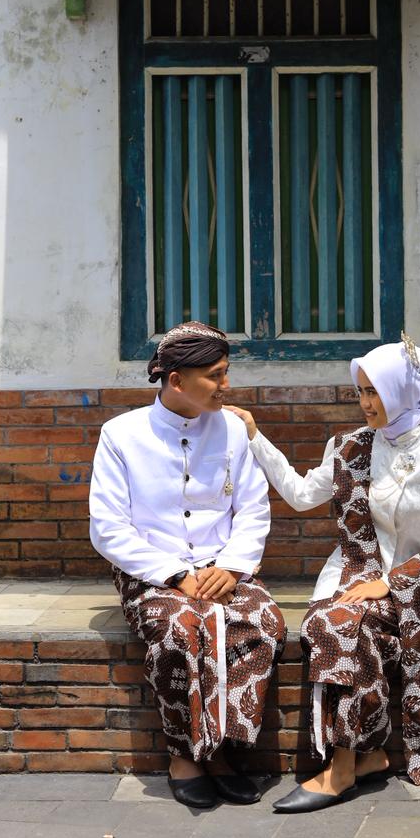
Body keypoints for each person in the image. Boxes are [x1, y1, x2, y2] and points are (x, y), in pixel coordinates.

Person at [227, 334, 420, 814]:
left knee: (341, 627)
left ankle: (342, 767)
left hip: (413, 584)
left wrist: (390, 582)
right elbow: (301, 494)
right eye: (361, 392)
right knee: (329, 624)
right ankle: (366, 756)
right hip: (348, 574)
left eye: (375, 392)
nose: (366, 403)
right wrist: (255, 437)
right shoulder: (349, 446)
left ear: (402, 391)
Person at [89, 321, 286, 809]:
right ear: (176, 380)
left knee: (262, 623)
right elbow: (108, 527)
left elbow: (254, 508)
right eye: (215, 376)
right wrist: (175, 575)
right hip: (151, 571)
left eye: (225, 373)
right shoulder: (122, 435)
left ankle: (220, 751)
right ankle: (185, 756)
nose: (226, 385)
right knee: (180, 630)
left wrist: (234, 567)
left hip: (223, 566)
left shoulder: (233, 430)